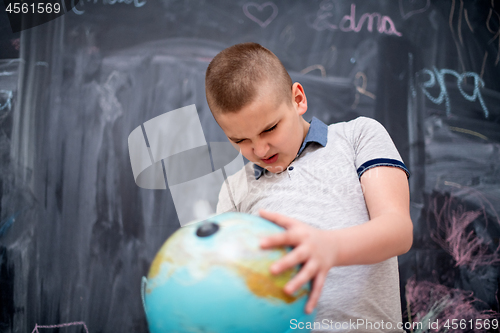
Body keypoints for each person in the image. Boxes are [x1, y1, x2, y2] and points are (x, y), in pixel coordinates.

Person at [205, 42, 413, 332]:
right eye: (240, 140)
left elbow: (398, 230)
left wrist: (329, 247)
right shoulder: (233, 190)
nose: (260, 149)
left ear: (298, 99)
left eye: (270, 128)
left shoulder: (358, 137)